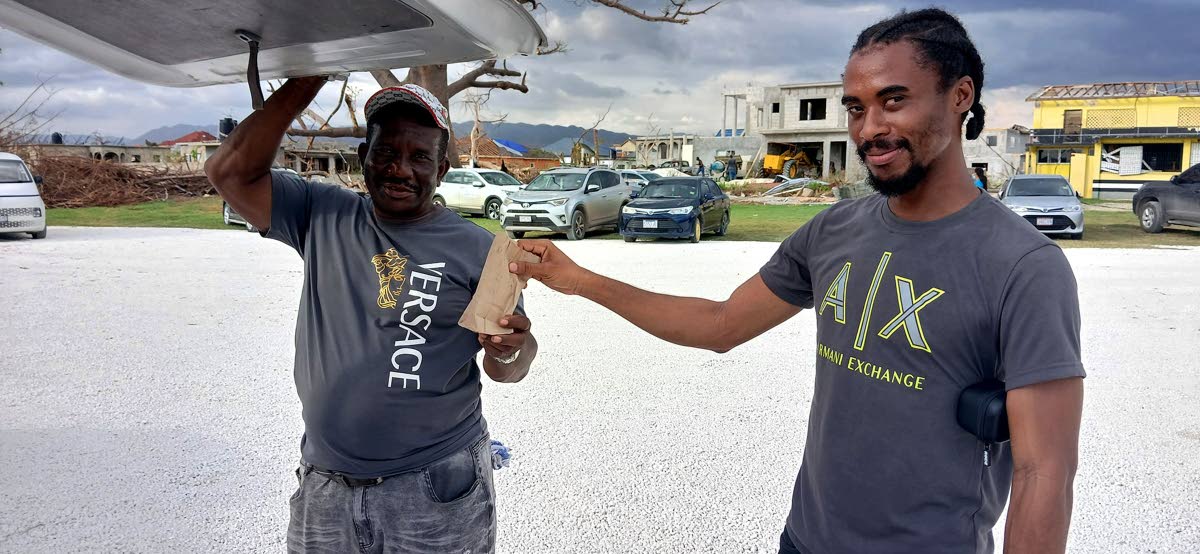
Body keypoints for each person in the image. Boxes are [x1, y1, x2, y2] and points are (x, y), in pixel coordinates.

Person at [509, 8, 1082, 554]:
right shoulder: (833, 232)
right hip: (805, 540)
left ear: (961, 96)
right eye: (856, 108)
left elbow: (1043, 472)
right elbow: (719, 324)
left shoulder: (1023, 266)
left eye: (894, 100)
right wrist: (579, 278)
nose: (871, 128)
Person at [205, 79, 539, 553]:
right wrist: (308, 76)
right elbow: (229, 172)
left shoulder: (479, 249)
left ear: (441, 168)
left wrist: (513, 349)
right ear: (364, 154)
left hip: (434, 486)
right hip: (326, 488)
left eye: (420, 157)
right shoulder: (322, 214)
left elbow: (511, 368)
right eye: (386, 152)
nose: (400, 169)